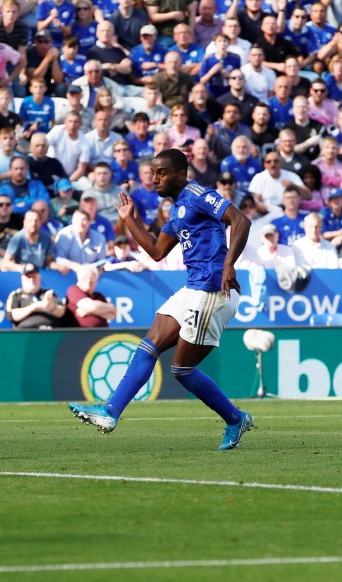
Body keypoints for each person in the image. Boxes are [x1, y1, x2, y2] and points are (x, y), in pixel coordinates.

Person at [69, 149, 254, 451]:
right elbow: (157, 251)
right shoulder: (177, 208)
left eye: (161, 173)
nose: (154, 179)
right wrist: (130, 220)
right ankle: (110, 412)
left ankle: (235, 419)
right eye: (153, 173)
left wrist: (229, 264)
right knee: (148, 344)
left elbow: (241, 220)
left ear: (181, 174)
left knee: (181, 370)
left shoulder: (197, 194)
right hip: (193, 288)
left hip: (212, 291)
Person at [6, 263, 66, 329]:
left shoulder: (49, 294)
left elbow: (62, 313)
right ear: (22, 279)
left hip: (49, 331)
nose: (31, 280)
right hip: (26, 333)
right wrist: (35, 306)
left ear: (39, 278)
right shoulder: (16, 295)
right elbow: (11, 315)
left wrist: (51, 307)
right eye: (28, 277)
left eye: (34, 276)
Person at [65, 263, 115, 328]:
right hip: (79, 334)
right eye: (85, 278)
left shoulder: (98, 296)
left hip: (101, 335)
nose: (88, 282)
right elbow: (91, 306)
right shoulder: (74, 290)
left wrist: (89, 312)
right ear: (79, 278)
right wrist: (108, 308)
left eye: (91, 280)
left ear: (96, 281)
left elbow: (112, 315)